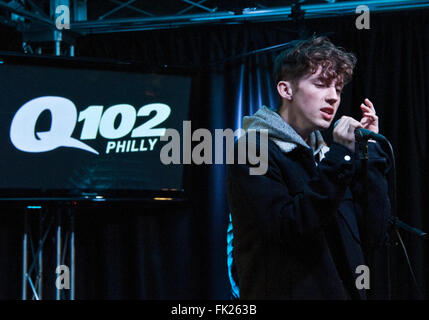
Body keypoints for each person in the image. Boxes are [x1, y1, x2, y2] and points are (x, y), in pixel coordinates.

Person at [226, 36, 391, 299]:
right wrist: (339, 157)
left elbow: (373, 232)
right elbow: (291, 229)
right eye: (322, 84)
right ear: (286, 90)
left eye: (338, 88)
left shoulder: (326, 156)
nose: (333, 97)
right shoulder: (252, 150)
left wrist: (368, 154)